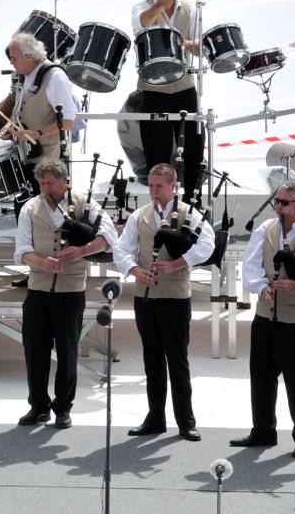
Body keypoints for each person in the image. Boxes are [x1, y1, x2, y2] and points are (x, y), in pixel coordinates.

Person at [113, 163, 214, 442]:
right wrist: (134, 270)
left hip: (174, 298)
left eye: (159, 186)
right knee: (152, 360)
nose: (154, 192)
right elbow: (122, 250)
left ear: (173, 186)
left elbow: (207, 246)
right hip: (144, 298)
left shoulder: (189, 214)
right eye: (151, 186)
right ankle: (155, 418)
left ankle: (186, 421)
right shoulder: (140, 216)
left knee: (177, 361)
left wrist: (179, 263)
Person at [13, 159, 116, 429]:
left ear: (63, 180)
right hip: (38, 290)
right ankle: (38, 407)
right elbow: (22, 249)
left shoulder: (85, 204)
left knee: (68, 353)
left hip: (71, 291)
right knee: (35, 352)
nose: (45, 188)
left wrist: (82, 251)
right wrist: (41, 262)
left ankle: (63, 408)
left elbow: (109, 237)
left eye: (50, 182)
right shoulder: (29, 207)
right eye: (41, 183)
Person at [232, 180, 295, 458]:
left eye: (284, 203)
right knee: (261, 376)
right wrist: (260, 286)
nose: (278, 207)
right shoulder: (266, 229)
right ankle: (263, 430)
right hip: (265, 316)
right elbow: (251, 264)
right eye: (277, 201)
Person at [3, 31, 77, 288]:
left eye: (14, 58)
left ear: (30, 58)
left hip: (46, 162)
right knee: (26, 212)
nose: (11, 63)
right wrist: (11, 127)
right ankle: (34, 268)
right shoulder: (25, 77)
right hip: (27, 159)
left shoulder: (55, 77)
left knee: (47, 217)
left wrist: (37, 133)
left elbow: (68, 120)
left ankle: (51, 268)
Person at [131, 0, 203, 199]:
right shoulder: (143, 6)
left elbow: (199, 46)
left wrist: (181, 43)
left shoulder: (190, 9)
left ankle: (192, 200)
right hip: (154, 89)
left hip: (184, 86)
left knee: (193, 147)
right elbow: (142, 24)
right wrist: (159, 6)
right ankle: (160, 203)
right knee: (157, 152)